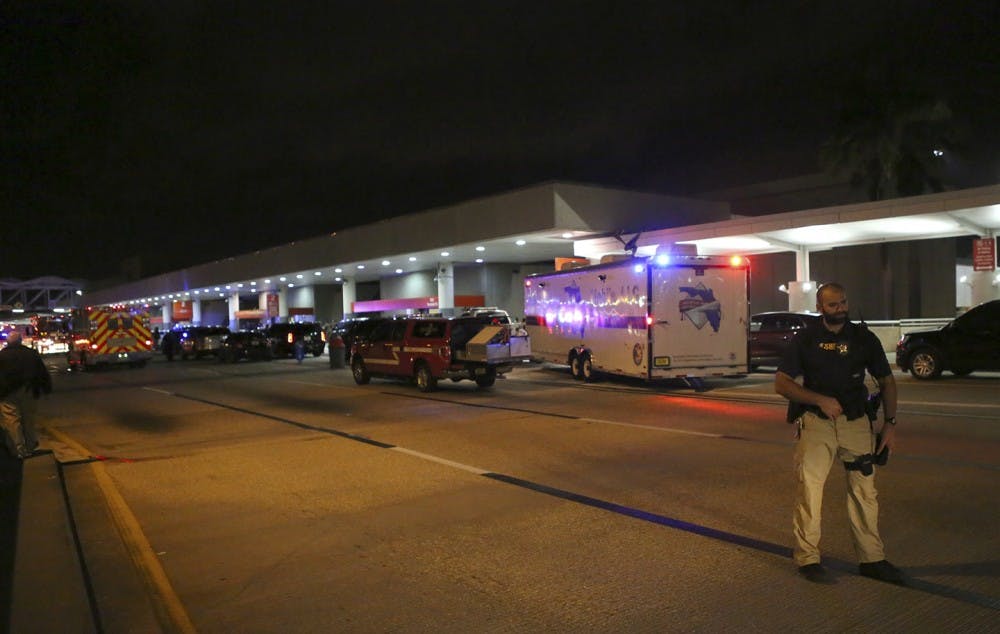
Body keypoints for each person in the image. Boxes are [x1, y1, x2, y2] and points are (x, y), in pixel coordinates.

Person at [774, 282, 903, 585]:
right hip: (817, 423)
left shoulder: (862, 338)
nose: (841, 309)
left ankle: (872, 559)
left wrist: (891, 424)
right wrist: (818, 399)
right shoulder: (805, 339)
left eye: (843, 303)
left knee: (865, 492)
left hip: (856, 423)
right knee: (810, 490)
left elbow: (887, 381)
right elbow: (782, 383)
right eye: (833, 305)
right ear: (819, 307)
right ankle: (808, 558)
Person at [0, 331, 53, 459]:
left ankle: (18, 449)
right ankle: (30, 446)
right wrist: (46, 389)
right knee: (28, 418)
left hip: (7, 393)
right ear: (20, 341)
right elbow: (41, 372)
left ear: (8, 342)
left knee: (11, 419)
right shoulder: (31, 354)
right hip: (28, 390)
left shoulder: (1, 356)